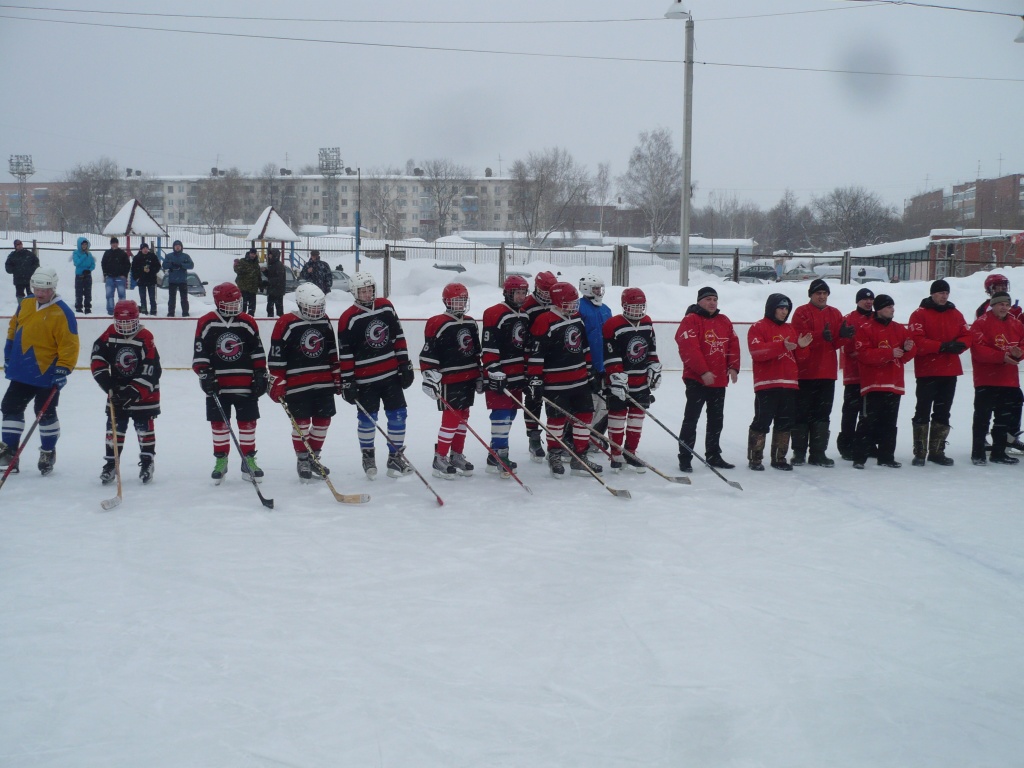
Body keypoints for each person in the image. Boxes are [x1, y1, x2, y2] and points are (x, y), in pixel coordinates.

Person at [0, 267, 79, 475]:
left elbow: (69, 344)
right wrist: (8, 353)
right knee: (9, 406)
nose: (40, 293)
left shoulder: (63, 312)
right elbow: (13, 328)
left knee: (44, 412)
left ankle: (47, 451)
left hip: (47, 372)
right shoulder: (25, 303)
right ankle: (9, 452)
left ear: (53, 288)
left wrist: (63, 369)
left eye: (44, 289)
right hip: (22, 370)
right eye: (36, 288)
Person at [336, 271, 415, 480]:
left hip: (391, 376)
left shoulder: (386, 306)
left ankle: (395, 457)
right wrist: (347, 381)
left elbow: (398, 337)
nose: (367, 293)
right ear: (354, 292)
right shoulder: (347, 318)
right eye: (362, 290)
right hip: (365, 381)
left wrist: (405, 365)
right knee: (367, 420)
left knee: (398, 415)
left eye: (370, 289)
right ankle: (368, 456)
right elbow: (345, 353)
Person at [193, 283, 269, 482]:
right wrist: (205, 375)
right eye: (231, 302)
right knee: (219, 424)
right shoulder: (206, 322)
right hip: (218, 385)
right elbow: (200, 353)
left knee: (248, 423)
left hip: (245, 383)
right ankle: (221, 459)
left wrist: (260, 373)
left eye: (238, 301)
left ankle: (248, 460)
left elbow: (257, 350)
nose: (236, 305)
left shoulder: (247, 322)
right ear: (219, 302)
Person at [527, 281, 602, 478]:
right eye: (569, 302)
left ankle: (579, 457)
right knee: (557, 420)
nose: (574, 305)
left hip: (579, 381)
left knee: (584, 417)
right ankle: (555, 455)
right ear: (559, 302)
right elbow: (536, 354)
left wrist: (589, 371)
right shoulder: (544, 321)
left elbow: (584, 347)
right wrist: (535, 379)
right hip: (555, 382)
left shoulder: (577, 318)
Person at [269, 283, 341, 481]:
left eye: (320, 307)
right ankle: (302, 459)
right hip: (296, 384)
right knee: (300, 423)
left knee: (323, 421)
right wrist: (278, 380)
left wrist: (336, 375)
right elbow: (276, 356)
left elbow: (331, 351)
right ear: (301, 304)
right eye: (313, 307)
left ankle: (314, 458)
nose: (317, 311)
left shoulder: (324, 321)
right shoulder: (286, 322)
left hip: (323, 381)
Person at [90, 300, 161, 484]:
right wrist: (108, 384)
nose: (125, 327)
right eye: (121, 323)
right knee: (114, 429)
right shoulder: (109, 333)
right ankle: (111, 463)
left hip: (144, 395)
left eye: (129, 323)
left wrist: (133, 391)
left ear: (137, 319)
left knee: (143, 429)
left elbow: (152, 368)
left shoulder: (146, 336)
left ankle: (147, 462)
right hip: (117, 391)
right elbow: (97, 357)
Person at [419, 283, 483, 479]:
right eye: (456, 301)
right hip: (449, 379)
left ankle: (456, 455)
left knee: (463, 417)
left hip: (468, 377)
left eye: (463, 300)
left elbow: (475, 353)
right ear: (446, 301)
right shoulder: (437, 323)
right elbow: (428, 354)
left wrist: (480, 373)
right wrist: (429, 376)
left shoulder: (471, 323)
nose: (460, 304)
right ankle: (440, 458)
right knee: (451, 419)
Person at [675, 285, 740, 472]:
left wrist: (733, 366)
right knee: (691, 419)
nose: (712, 302)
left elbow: (733, 344)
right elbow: (688, 348)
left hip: (718, 380)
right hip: (696, 380)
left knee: (716, 420)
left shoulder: (724, 320)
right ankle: (685, 456)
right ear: (699, 301)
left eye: (715, 299)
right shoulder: (691, 320)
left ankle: (713, 454)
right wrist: (703, 371)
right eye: (708, 299)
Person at [790, 278, 854, 467]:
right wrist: (819, 336)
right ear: (811, 295)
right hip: (805, 372)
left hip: (827, 373)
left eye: (825, 293)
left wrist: (843, 336)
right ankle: (799, 452)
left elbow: (835, 344)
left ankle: (818, 452)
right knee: (802, 414)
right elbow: (800, 337)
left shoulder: (835, 313)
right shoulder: (801, 312)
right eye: (818, 293)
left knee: (822, 414)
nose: (822, 296)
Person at [907, 279, 971, 467]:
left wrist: (960, 345)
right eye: (941, 293)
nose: (944, 296)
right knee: (923, 410)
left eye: (946, 293)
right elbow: (917, 341)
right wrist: (942, 346)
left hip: (949, 370)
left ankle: (937, 450)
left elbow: (967, 335)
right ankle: (920, 452)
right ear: (932, 294)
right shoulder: (919, 314)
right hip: (927, 371)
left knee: (943, 411)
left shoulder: (955, 314)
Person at [746, 293, 812, 471]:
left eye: (786, 308)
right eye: (781, 308)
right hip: (767, 384)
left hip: (789, 384)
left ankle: (779, 458)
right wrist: (781, 346)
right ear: (771, 308)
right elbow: (757, 352)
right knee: (762, 421)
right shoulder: (758, 327)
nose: (784, 312)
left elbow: (800, 358)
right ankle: (755, 458)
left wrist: (803, 348)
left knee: (785, 422)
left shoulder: (791, 329)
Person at [851, 294, 916, 469]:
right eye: (888, 307)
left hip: (894, 384)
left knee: (890, 423)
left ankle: (886, 456)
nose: (892, 310)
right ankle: (860, 457)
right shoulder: (865, 328)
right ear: (879, 309)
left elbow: (907, 354)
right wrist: (889, 353)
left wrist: (907, 349)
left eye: (893, 306)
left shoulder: (899, 329)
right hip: (873, 384)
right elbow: (864, 355)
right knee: (867, 422)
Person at [603, 287, 661, 472]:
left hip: (641, 381)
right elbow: (611, 354)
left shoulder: (647, 322)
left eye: (640, 306)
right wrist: (616, 376)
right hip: (620, 380)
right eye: (633, 306)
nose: (637, 310)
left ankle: (631, 452)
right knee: (617, 418)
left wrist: (654, 366)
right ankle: (616, 454)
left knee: (637, 419)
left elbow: (651, 349)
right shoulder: (613, 324)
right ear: (624, 305)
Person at [481, 275, 529, 475]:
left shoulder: (524, 315)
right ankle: (501, 454)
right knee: (500, 414)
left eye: (523, 293)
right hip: (499, 375)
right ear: (508, 293)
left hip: (517, 375)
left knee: (511, 413)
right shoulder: (494, 313)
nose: (520, 297)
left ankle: (494, 454)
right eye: (517, 292)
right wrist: (493, 370)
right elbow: (489, 346)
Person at [969, 291, 1024, 465]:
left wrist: (1019, 354)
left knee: (1003, 418)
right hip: (986, 379)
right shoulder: (981, 324)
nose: (1004, 308)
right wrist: (1001, 357)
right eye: (1001, 304)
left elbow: (1022, 343)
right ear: (992, 305)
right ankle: (978, 453)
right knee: (982, 417)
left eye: (1007, 305)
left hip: (1008, 379)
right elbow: (978, 350)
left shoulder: (1016, 324)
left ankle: (998, 452)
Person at [519, 270, 557, 461]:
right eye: (545, 290)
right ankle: (533, 437)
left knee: (556, 399)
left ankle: (557, 437)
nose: (548, 294)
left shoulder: (557, 304)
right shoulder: (527, 306)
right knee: (533, 399)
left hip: (553, 361)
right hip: (531, 360)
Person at [836, 288, 877, 460]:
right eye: (864, 299)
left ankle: (867, 442)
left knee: (869, 411)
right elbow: (845, 343)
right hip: (854, 374)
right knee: (851, 410)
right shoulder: (849, 318)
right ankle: (847, 443)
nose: (868, 302)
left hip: (873, 374)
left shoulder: (877, 318)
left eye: (871, 299)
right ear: (857, 301)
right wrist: (859, 352)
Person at [578, 272, 612, 448]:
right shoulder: (579, 307)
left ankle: (595, 435)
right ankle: (580, 437)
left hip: (604, 364)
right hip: (587, 365)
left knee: (605, 403)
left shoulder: (606, 309)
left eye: (600, 288)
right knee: (589, 404)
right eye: (595, 288)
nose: (599, 291)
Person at [164, 240, 194, 317]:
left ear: (181, 247)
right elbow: (164, 265)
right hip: (172, 281)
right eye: (176, 246)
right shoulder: (169, 256)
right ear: (173, 247)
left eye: (179, 246)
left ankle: (185, 313)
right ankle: (171, 313)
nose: (177, 247)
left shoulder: (185, 256)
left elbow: (191, 265)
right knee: (172, 299)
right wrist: (171, 265)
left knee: (184, 298)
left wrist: (181, 265)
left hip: (182, 280)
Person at [101, 236, 131, 315]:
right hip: (110, 277)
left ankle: (121, 310)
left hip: (120, 277)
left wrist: (124, 275)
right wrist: (105, 274)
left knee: (121, 295)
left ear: (118, 244)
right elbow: (103, 264)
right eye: (113, 243)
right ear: (111, 244)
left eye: (115, 243)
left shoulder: (122, 253)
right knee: (109, 295)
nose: (114, 245)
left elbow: (127, 265)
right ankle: (110, 310)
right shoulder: (107, 253)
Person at [130, 242, 161, 316]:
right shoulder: (137, 258)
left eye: (146, 248)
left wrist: (151, 270)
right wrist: (137, 277)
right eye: (144, 248)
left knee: (152, 297)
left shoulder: (152, 256)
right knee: (143, 297)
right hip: (141, 280)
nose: (145, 250)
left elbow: (158, 266)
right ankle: (144, 310)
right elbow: (133, 269)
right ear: (141, 249)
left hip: (151, 280)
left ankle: (153, 310)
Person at [234, 247, 262, 316]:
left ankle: (250, 318)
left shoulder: (256, 264)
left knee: (252, 308)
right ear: (249, 253)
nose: (253, 255)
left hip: (253, 289)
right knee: (243, 306)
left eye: (254, 254)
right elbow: (237, 270)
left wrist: (260, 284)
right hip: (244, 288)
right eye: (252, 253)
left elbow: (258, 275)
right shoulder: (243, 261)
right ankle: (242, 318)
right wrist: (236, 265)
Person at [71, 237, 95, 314]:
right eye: (83, 244)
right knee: (79, 292)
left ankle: (87, 307)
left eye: (85, 244)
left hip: (87, 276)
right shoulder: (75, 253)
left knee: (88, 292)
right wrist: (84, 255)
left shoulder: (89, 254)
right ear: (79, 245)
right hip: (79, 276)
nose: (84, 246)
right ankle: (78, 307)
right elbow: (77, 263)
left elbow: (93, 264)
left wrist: (89, 270)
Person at [263, 248, 286, 318]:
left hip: (277, 290)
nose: (269, 256)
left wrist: (268, 282)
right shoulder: (271, 264)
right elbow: (271, 275)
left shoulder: (279, 265)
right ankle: (270, 319)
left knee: (278, 308)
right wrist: (265, 271)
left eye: (270, 254)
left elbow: (279, 278)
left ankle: (280, 320)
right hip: (272, 290)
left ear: (274, 255)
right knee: (270, 307)